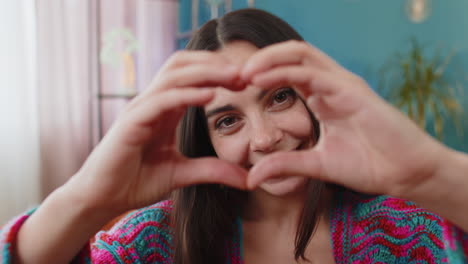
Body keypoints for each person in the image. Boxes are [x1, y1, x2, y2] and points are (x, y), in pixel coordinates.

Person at [1, 8, 468, 264]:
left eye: (279, 98)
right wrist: (88, 198)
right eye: (228, 121)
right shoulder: (155, 243)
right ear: (205, 140)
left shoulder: (408, 234)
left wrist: (429, 170)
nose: (264, 139)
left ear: (313, 97)